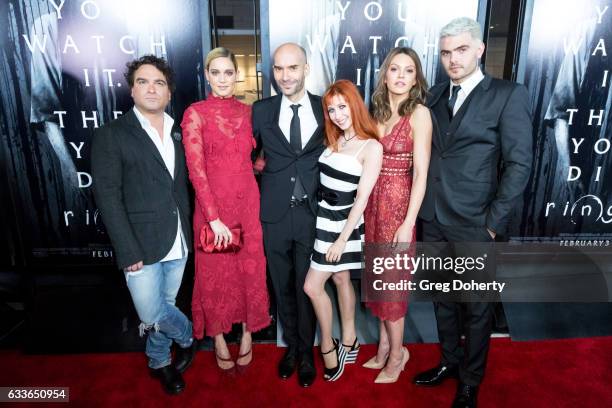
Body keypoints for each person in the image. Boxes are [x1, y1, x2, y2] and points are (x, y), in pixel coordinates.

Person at [414, 18, 532, 408]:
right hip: (433, 218)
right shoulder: (432, 96)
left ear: (479, 50)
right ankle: (449, 362)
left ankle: (471, 379)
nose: (453, 59)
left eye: (461, 50)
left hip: (476, 224)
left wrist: (494, 223)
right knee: (442, 299)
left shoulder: (506, 94)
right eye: (446, 52)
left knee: (477, 307)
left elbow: (520, 164)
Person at [91, 55, 196, 395]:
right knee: (153, 313)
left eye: (159, 83)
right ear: (132, 90)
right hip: (140, 243)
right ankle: (190, 337)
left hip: (178, 238)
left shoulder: (180, 131)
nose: (152, 88)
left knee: (166, 302)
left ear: (168, 92)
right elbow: (107, 196)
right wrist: (127, 248)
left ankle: (159, 362)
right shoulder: (112, 134)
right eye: (143, 82)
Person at [180, 47, 271, 373]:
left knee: (250, 273)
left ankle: (248, 335)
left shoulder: (250, 112)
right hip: (212, 212)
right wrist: (214, 217)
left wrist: (262, 167)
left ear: (237, 75)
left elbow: (258, 158)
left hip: (248, 206)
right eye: (215, 73)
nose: (222, 79)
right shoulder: (196, 113)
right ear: (207, 75)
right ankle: (219, 340)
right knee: (215, 277)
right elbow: (196, 170)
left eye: (228, 73)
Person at [252, 43, 326, 387]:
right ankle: (292, 349)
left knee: (306, 287)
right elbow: (242, 156)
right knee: (281, 286)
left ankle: (307, 353)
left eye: (292, 68)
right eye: (279, 69)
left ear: (306, 68)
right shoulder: (260, 111)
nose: (285, 76)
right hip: (274, 214)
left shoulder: (326, 108)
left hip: (313, 214)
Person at [303, 79, 383, 382]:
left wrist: (341, 239)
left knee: (312, 286)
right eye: (331, 109)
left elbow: (362, 199)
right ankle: (350, 339)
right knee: (339, 278)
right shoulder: (334, 139)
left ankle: (329, 344)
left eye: (342, 106)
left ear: (355, 104)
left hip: (343, 224)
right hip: (323, 218)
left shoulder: (371, 146)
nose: (337, 114)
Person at [363, 47, 432, 383]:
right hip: (372, 207)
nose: (401, 76)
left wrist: (408, 223)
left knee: (392, 288)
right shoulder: (374, 111)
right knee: (377, 284)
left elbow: (421, 175)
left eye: (408, 70)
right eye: (394, 69)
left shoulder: (419, 114)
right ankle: (382, 348)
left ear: (416, 77)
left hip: (398, 209)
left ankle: (397, 356)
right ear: (385, 74)